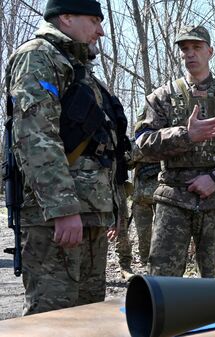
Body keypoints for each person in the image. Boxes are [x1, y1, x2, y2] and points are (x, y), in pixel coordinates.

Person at [6, 0, 127, 314]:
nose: (100, 31)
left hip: (91, 216)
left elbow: (107, 146)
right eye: (94, 20)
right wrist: (62, 208)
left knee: (90, 318)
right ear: (67, 17)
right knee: (52, 320)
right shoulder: (38, 57)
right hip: (58, 220)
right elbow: (35, 136)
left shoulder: (80, 70)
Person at [135, 24, 215, 277]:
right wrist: (186, 135)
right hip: (173, 199)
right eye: (184, 49)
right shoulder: (161, 97)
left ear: (210, 51)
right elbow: (142, 143)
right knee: (163, 277)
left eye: (196, 47)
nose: (189, 54)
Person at [129, 139, 160, 268]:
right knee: (143, 234)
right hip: (140, 196)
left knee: (162, 233)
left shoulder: (164, 137)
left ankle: (159, 264)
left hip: (161, 195)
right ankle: (146, 262)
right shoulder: (137, 141)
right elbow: (128, 160)